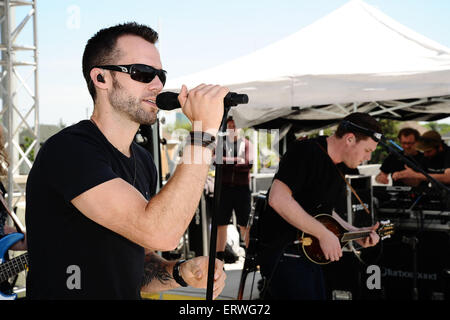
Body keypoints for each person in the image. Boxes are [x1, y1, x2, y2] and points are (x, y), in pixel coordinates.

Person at [25, 22, 227, 299]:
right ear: (101, 79)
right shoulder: (69, 150)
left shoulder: (143, 160)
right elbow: (161, 232)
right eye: (142, 73)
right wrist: (202, 133)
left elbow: (139, 265)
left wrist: (182, 272)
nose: (156, 85)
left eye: (160, 75)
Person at [258, 112, 381, 300]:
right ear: (350, 139)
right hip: (285, 251)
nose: (368, 158)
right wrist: (323, 234)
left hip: (309, 254)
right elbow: (278, 198)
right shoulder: (306, 151)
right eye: (367, 150)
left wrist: (354, 232)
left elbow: (323, 210)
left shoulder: (339, 167)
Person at [215, 117, 253, 262]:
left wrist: (226, 161)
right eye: (229, 126)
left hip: (241, 190)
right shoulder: (222, 143)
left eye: (234, 126)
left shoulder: (247, 144)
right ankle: (219, 257)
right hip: (224, 189)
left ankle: (250, 255)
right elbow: (215, 160)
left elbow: (248, 164)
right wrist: (237, 160)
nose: (231, 129)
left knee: (244, 224)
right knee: (221, 224)